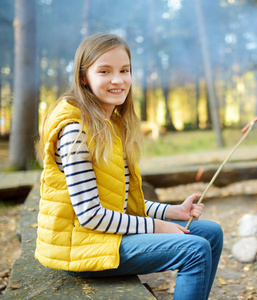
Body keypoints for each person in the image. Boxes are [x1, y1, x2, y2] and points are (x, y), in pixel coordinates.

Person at [35, 33, 223, 300]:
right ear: (83, 78)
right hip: (80, 247)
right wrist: (158, 226)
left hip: (100, 237)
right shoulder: (75, 131)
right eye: (104, 71)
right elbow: (91, 215)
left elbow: (119, 201)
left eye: (125, 70)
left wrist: (171, 211)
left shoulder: (109, 124)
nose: (118, 79)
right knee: (194, 249)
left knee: (210, 233)